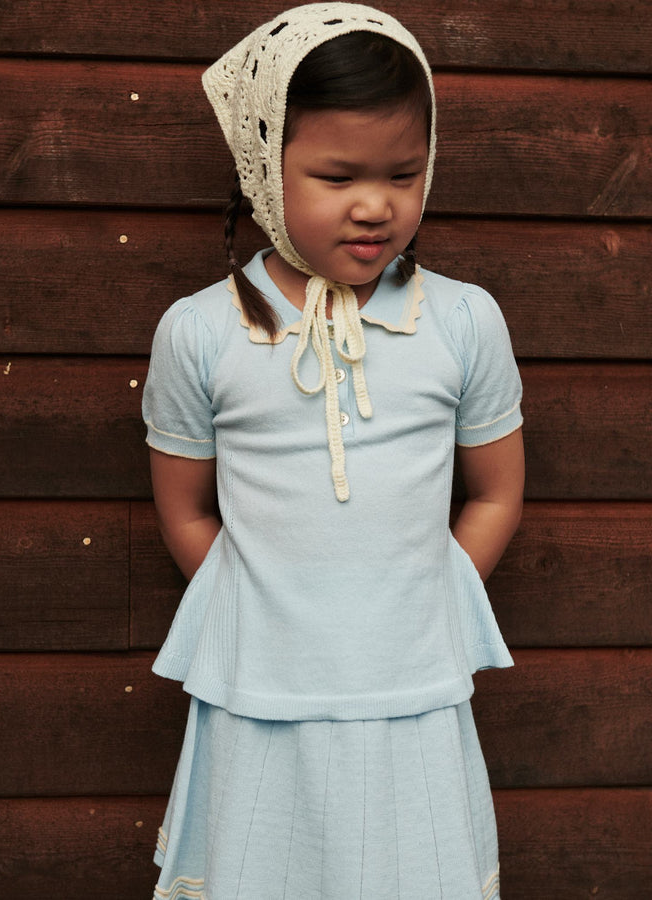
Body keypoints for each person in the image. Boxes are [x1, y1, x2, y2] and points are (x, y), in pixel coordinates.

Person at [142, 4, 524, 898]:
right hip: (257, 693)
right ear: (264, 171)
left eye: (404, 173)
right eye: (337, 174)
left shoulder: (464, 320)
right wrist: (272, 616)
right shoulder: (200, 332)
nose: (375, 204)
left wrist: (417, 603)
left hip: (415, 687)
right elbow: (187, 510)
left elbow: (496, 493)